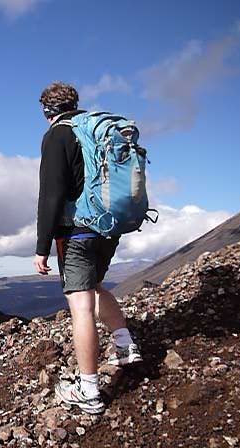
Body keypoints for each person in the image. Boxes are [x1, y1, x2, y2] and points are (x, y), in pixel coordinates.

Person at [32, 81, 143, 415]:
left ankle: (89, 391)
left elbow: (51, 195)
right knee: (94, 289)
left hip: (77, 233)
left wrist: (42, 246)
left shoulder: (58, 136)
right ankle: (124, 345)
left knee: (80, 305)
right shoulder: (93, 131)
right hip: (108, 228)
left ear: (47, 111)